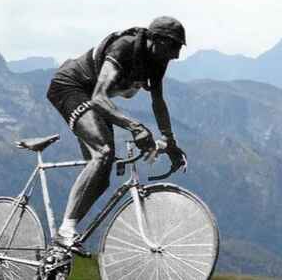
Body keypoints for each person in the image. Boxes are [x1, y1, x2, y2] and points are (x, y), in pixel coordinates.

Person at [45, 16, 189, 248]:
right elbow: (99, 98)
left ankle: (63, 240)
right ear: (157, 40)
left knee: (101, 179)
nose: (176, 55)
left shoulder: (157, 59)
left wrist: (169, 140)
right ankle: (65, 232)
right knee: (103, 153)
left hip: (93, 97)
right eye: (173, 46)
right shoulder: (124, 47)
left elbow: (158, 101)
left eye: (179, 48)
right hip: (71, 88)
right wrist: (136, 127)